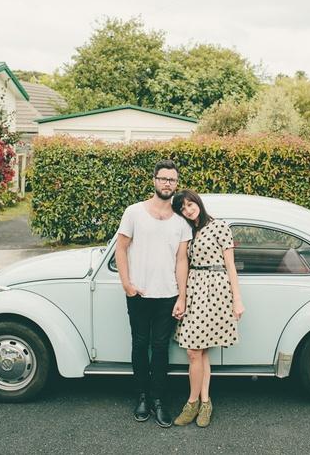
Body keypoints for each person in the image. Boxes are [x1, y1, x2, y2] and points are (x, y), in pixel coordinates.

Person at [114, 160, 192, 428]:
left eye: (172, 180)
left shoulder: (181, 222)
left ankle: (159, 400)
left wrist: (182, 297)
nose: (167, 183)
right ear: (154, 180)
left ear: (176, 184)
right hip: (138, 293)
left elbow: (182, 261)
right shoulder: (134, 212)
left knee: (160, 349)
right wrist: (127, 283)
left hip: (168, 295)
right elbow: (120, 248)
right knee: (139, 344)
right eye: (163, 178)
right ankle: (142, 397)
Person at [170, 190, 245, 428]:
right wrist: (182, 296)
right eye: (183, 208)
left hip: (215, 289)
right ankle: (203, 401)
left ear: (198, 203)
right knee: (197, 351)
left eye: (190, 205)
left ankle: (194, 402)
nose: (188, 210)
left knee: (197, 350)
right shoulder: (189, 232)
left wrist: (237, 298)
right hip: (194, 289)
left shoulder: (220, 227)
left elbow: (230, 265)